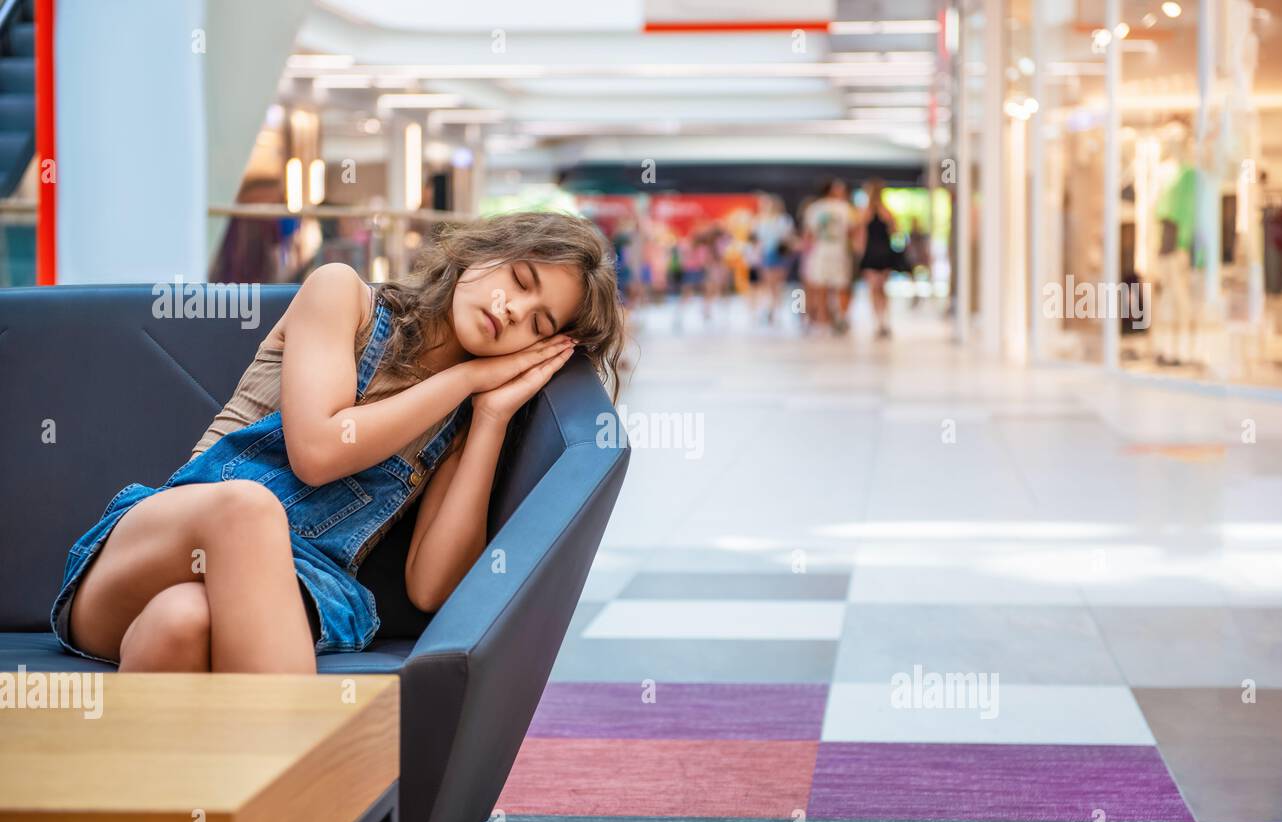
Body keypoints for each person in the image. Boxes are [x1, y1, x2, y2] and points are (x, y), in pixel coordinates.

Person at [48, 212, 625, 674]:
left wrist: (491, 417)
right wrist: (467, 379)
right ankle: (312, 805)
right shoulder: (342, 296)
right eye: (520, 281)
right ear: (482, 252)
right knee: (248, 510)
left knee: (181, 621)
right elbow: (318, 451)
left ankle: (178, 817)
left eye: (539, 325)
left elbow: (430, 588)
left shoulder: (459, 424)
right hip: (160, 546)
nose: (514, 311)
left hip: (292, 587)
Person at [800, 178, 855, 334]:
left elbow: (808, 234)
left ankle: (824, 320)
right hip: (838, 251)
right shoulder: (845, 208)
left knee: (822, 286)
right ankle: (839, 318)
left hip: (821, 251)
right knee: (840, 286)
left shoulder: (814, 209)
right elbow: (852, 232)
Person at [858, 179, 897, 339]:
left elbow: (894, 229)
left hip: (877, 252)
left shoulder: (879, 212)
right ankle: (880, 321)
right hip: (878, 252)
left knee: (877, 288)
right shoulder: (870, 212)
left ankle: (882, 321)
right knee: (879, 288)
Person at [753, 193, 794, 324]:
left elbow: (787, 237)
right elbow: (758, 240)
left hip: (779, 253)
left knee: (777, 285)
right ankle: (771, 309)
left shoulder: (783, 219)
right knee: (768, 285)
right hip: (767, 253)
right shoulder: (761, 220)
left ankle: (776, 311)